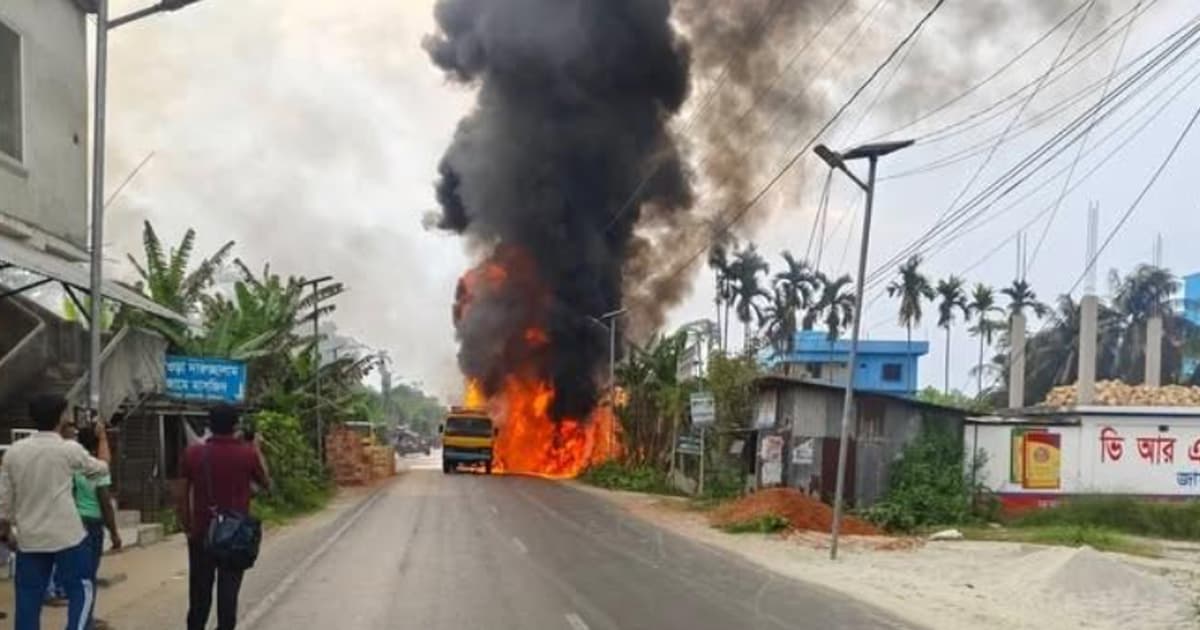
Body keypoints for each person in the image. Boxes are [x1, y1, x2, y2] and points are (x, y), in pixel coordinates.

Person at [0, 395, 110, 630]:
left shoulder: (14, 453)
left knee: (27, 598)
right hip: (67, 536)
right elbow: (102, 468)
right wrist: (102, 438)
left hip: (30, 537)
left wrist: (6, 533)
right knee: (81, 588)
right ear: (61, 418)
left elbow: (5, 503)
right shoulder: (69, 449)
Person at [178, 405, 270, 630]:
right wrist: (256, 448)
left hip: (202, 533)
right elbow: (267, 484)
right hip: (235, 535)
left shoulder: (193, 453)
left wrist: (188, 527)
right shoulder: (246, 453)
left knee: (199, 597)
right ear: (236, 425)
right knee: (228, 598)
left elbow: (180, 496)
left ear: (209, 425)